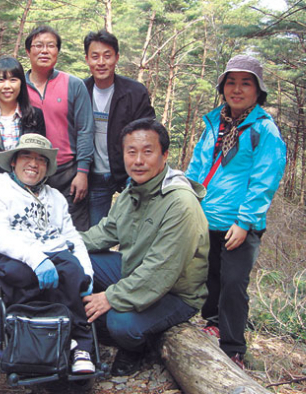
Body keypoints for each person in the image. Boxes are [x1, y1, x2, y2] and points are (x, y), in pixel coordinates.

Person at [81, 118, 209, 377]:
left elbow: (161, 271)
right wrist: (58, 244)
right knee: (79, 258)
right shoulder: (132, 192)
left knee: (119, 322)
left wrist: (110, 297)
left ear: (164, 155)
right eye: (131, 152)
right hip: (135, 272)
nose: (138, 160)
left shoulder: (180, 203)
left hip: (175, 292)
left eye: (147, 151)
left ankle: (137, 348)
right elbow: (103, 233)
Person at [185, 55, 286, 369]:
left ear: (258, 90)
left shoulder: (264, 130)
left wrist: (245, 222)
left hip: (240, 223)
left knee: (233, 282)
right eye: (231, 82)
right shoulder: (214, 123)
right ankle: (212, 322)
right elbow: (198, 167)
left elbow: (264, 180)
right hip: (207, 216)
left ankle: (233, 349)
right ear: (222, 86)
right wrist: (188, 201)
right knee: (211, 276)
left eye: (246, 83)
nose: (237, 89)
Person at [0, 134, 96, 374]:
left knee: (73, 273)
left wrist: (88, 273)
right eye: (27, 156)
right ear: (13, 161)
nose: (33, 163)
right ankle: (27, 336)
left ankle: (79, 345)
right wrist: (36, 259)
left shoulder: (56, 198)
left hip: (55, 251)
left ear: (47, 167)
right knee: (20, 275)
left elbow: (72, 237)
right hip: (14, 254)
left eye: (40, 159)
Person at [24, 25, 95, 231]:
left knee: (75, 234)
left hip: (68, 173)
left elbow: (85, 130)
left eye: (50, 46)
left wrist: (82, 172)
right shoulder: (18, 86)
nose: (44, 50)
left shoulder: (73, 84)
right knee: (35, 234)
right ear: (28, 51)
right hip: (29, 173)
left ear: (57, 52)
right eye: (38, 45)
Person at [83, 30, 156, 226]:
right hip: (95, 175)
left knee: (137, 229)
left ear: (117, 57)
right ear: (87, 59)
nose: (101, 62)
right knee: (97, 231)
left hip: (128, 173)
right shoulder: (81, 91)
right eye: (95, 56)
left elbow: (149, 133)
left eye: (107, 56)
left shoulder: (134, 92)